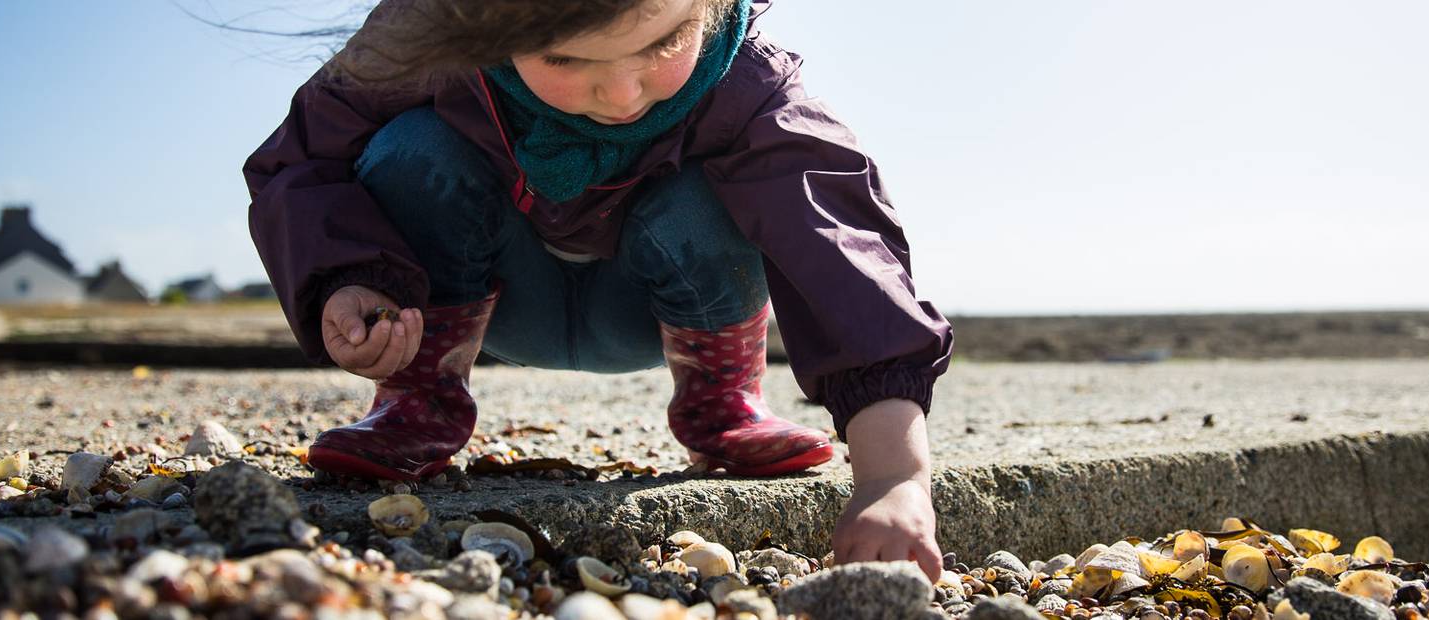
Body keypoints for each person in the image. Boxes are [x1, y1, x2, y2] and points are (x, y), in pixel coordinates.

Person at [244, 0, 952, 577]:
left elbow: (844, 252)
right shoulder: (430, 38)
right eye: (566, 58)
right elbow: (302, 163)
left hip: (652, 308)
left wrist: (894, 480)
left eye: (665, 41)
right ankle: (418, 399)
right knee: (411, 149)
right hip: (487, 300)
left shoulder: (751, 85)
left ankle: (722, 404)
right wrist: (346, 280)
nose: (622, 92)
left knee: (722, 188)